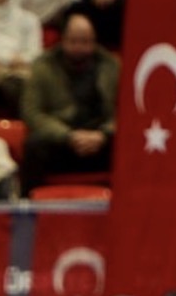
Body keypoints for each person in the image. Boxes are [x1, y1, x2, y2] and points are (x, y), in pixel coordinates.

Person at [19, 12, 117, 188]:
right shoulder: (42, 67)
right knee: (34, 146)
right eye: (73, 42)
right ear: (63, 40)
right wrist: (68, 136)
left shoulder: (112, 66)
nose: (79, 47)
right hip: (61, 140)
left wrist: (103, 134)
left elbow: (126, 112)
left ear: (94, 41)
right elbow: (32, 113)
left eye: (85, 42)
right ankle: (29, 207)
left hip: (101, 140)